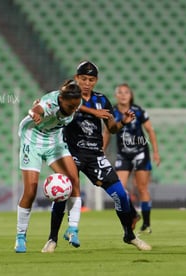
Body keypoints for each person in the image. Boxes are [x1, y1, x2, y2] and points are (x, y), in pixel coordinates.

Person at [41, 61, 152, 253]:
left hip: (95, 155)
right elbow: (70, 107)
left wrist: (123, 122)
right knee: (62, 193)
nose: (86, 83)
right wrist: (93, 112)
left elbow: (112, 128)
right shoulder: (69, 98)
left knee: (121, 195)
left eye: (91, 80)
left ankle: (129, 235)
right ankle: (52, 239)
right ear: (76, 79)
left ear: (96, 81)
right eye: (83, 79)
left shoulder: (102, 100)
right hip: (70, 153)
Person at [15, 80, 82, 253]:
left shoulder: (75, 101)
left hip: (54, 141)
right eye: (70, 106)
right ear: (61, 99)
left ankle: (73, 229)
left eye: (76, 106)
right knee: (30, 190)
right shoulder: (50, 102)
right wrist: (34, 113)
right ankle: (20, 236)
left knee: (74, 179)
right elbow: (36, 109)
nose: (73, 109)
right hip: (33, 139)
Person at [103, 83, 160, 234]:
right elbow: (107, 132)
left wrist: (156, 152)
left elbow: (150, 131)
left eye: (126, 92)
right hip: (124, 154)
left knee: (141, 188)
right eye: (120, 92)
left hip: (140, 152)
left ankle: (146, 224)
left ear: (130, 95)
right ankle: (134, 214)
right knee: (120, 188)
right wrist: (101, 150)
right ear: (116, 96)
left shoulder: (138, 111)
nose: (123, 95)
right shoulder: (112, 112)